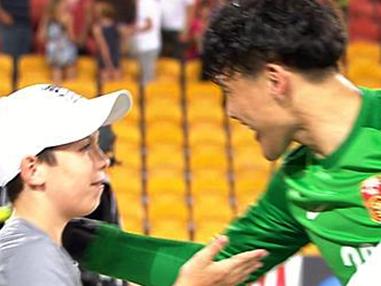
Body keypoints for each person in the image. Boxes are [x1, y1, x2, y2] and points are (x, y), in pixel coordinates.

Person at [33, 0, 381, 285]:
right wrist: (65, 234)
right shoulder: (298, 183)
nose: (230, 111)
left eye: (229, 92)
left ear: (275, 80)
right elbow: (212, 268)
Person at [0, 83, 267, 286]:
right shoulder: (31, 259)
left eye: (98, 146)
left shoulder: (38, 247)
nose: (104, 160)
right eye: (85, 149)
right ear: (33, 170)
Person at [38, 0, 78, 83]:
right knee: (59, 82)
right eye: (63, 4)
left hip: (66, 51)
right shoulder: (48, 19)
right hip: (55, 52)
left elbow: (71, 37)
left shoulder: (68, 17)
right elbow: (41, 37)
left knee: (69, 81)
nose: (65, 6)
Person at [92, 1, 122, 82]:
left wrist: (109, 65)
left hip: (107, 61)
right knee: (116, 88)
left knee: (107, 89)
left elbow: (103, 47)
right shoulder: (116, 26)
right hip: (114, 59)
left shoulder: (97, 28)